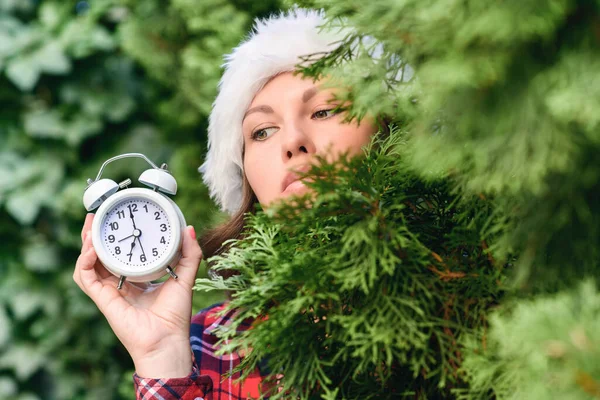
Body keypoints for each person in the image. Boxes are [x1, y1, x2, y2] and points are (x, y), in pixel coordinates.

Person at [74, 7, 383, 400]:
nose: (292, 142)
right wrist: (162, 358)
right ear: (248, 182)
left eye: (324, 110)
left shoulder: (472, 285)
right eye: (263, 131)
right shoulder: (207, 350)